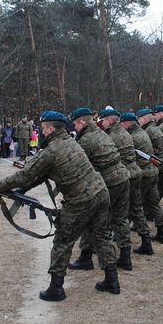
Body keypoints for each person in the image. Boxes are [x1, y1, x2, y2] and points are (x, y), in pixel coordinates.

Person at [0, 110, 120, 302]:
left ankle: (56, 288)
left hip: (81, 200)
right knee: (101, 237)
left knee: (62, 242)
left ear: (49, 128)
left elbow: (25, 174)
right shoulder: (70, 142)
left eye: (42, 128)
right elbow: (40, 175)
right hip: (100, 193)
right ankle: (112, 280)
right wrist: (22, 190)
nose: (41, 132)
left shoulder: (51, 150)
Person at [67, 107, 131, 272]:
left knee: (92, 219)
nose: (74, 127)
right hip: (123, 178)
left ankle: (86, 257)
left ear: (82, 122)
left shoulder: (86, 140)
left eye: (75, 124)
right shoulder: (102, 134)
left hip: (109, 182)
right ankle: (125, 256)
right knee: (121, 218)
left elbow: (75, 166)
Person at [99, 108, 154, 261]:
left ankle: (109, 245)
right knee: (136, 209)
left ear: (109, 120)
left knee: (115, 213)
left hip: (124, 175)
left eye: (103, 120)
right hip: (135, 172)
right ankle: (146, 241)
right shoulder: (126, 133)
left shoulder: (112, 136)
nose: (101, 124)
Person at [123, 111, 163, 244]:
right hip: (152, 171)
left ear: (129, 123)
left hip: (143, 173)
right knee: (154, 204)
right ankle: (162, 232)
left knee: (135, 205)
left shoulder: (133, 137)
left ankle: (128, 233)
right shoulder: (143, 133)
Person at [137, 108, 163, 240]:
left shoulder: (147, 131)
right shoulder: (156, 128)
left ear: (144, 119)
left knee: (146, 198)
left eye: (139, 119)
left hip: (157, 164)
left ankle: (143, 225)